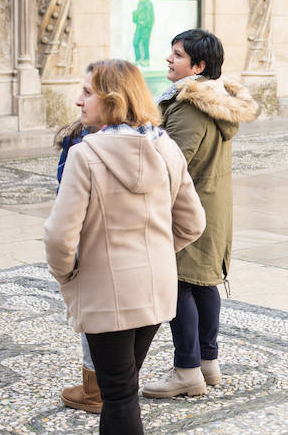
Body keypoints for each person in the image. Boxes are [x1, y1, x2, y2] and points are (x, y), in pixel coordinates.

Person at [44, 60, 205, 435]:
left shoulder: (86, 153)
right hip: (156, 289)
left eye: (87, 92)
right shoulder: (164, 146)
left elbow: (58, 236)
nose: (78, 101)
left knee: (117, 394)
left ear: (112, 98)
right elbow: (193, 223)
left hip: (106, 292)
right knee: (124, 388)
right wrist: (159, 252)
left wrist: (69, 272)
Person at [142, 29, 259, 398]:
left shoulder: (190, 106)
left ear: (199, 66)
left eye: (177, 55)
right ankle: (207, 363)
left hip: (188, 208)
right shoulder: (210, 101)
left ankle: (187, 370)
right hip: (210, 203)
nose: (168, 60)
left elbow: (171, 165)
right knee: (203, 282)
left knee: (179, 285)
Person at [53, 119, 102, 414]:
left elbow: (65, 205)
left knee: (93, 312)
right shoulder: (151, 138)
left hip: (92, 242)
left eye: (88, 93)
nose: (79, 101)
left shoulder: (83, 144)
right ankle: (110, 382)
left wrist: (64, 266)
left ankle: (95, 388)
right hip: (136, 252)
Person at [132, 0, 155, 67]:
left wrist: (145, 24)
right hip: (139, 26)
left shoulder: (149, 3)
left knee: (145, 43)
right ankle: (138, 60)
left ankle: (146, 60)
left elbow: (151, 17)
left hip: (145, 27)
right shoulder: (140, 2)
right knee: (135, 42)